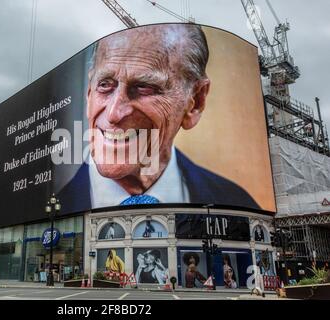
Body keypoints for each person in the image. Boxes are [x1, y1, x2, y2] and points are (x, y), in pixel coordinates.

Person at [57, 24, 259, 213]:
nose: (113, 114)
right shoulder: (57, 209)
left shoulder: (237, 201)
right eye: (105, 84)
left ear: (195, 101)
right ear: (89, 92)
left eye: (144, 87)